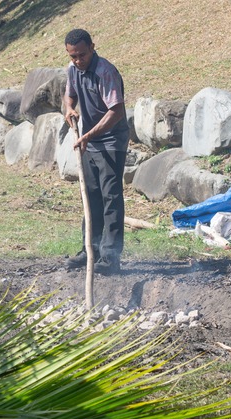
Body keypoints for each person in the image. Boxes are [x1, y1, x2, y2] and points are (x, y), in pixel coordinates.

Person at [63, 29, 129, 275]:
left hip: (111, 141)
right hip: (89, 142)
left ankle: (111, 258)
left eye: (81, 54)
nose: (78, 61)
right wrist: (69, 109)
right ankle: (90, 251)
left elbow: (116, 111)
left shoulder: (105, 71)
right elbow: (68, 97)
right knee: (91, 196)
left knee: (110, 197)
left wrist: (88, 135)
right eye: (73, 57)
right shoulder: (73, 71)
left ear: (92, 47)